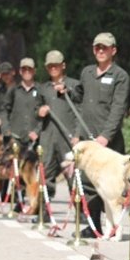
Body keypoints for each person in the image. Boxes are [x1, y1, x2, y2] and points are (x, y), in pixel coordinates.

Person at [70, 32, 130, 239]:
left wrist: (106, 136)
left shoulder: (120, 76)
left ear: (113, 50)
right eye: (97, 47)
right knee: (86, 183)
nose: (101, 51)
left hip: (109, 144)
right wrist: (77, 134)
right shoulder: (87, 73)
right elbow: (80, 103)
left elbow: (118, 109)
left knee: (110, 187)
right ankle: (93, 225)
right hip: (87, 141)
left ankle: (114, 226)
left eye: (105, 47)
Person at [37, 50, 79, 198]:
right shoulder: (43, 88)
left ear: (63, 66)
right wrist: (40, 111)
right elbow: (36, 110)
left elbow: (80, 111)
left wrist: (77, 134)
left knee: (72, 174)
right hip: (48, 137)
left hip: (67, 138)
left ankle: (80, 214)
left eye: (56, 65)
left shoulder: (74, 85)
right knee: (45, 173)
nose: (53, 68)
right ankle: (44, 211)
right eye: (50, 66)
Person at [3, 58, 42, 146]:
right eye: (24, 69)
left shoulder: (41, 90)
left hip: (35, 139)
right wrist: (6, 129)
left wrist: (37, 131)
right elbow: (4, 111)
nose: (27, 72)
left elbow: (44, 116)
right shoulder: (13, 90)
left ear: (34, 71)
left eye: (30, 69)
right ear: (20, 71)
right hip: (15, 138)